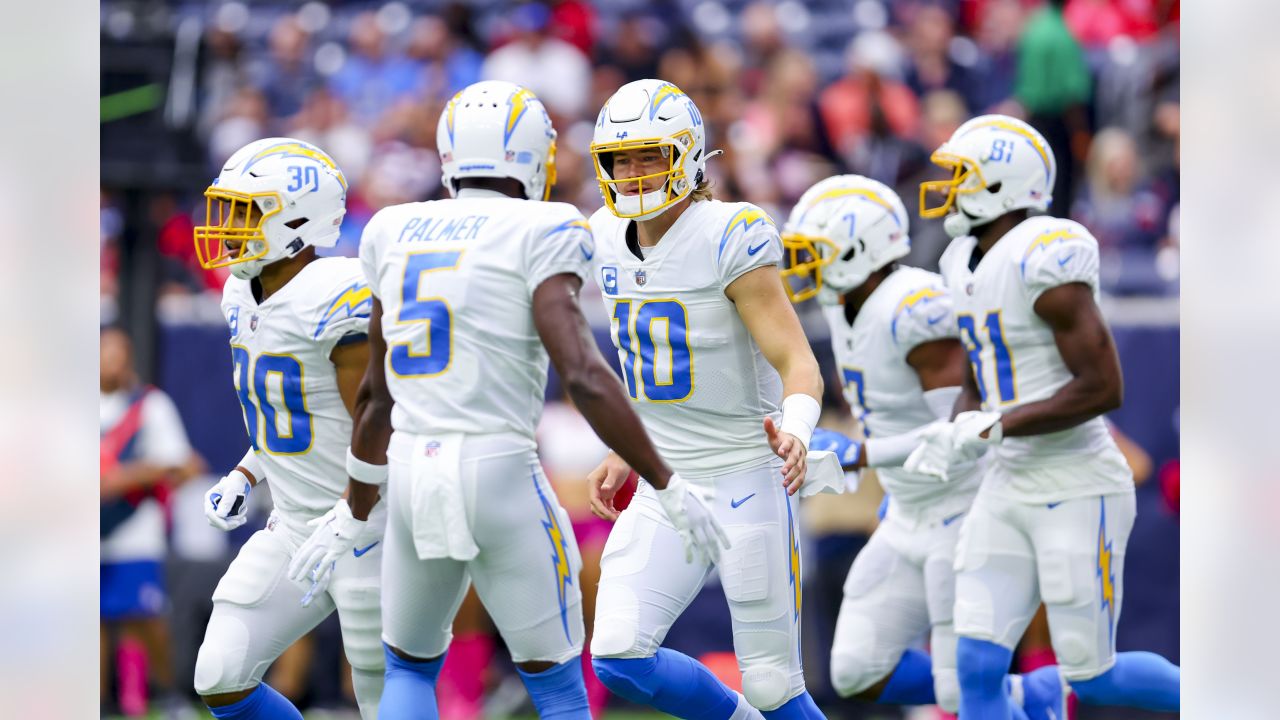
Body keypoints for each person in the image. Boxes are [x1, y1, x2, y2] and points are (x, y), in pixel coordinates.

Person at [289, 80, 723, 720]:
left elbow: (375, 396)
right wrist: (666, 480)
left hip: (410, 468)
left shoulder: (391, 227)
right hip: (500, 467)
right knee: (556, 686)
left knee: (407, 668)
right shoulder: (546, 225)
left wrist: (355, 510)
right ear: (531, 155)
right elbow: (582, 373)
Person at [910, 114, 1181, 717]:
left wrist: (997, 424)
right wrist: (956, 429)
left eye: (961, 176)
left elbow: (1103, 388)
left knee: (1095, 674)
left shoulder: (1046, 256)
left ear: (1002, 184)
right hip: (1008, 481)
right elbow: (980, 377)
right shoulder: (962, 260)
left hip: (1077, 481)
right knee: (975, 665)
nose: (948, 189)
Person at [583, 79, 826, 719]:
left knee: (774, 682)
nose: (632, 174)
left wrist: (798, 430)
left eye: (649, 155)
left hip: (747, 471)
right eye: (620, 158)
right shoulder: (603, 234)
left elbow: (798, 361)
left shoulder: (730, 234)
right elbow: (648, 364)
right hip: (669, 479)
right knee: (617, 653)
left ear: (687, 156)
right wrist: (624, 446)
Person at [779, 174, 1064, 718]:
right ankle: (1031, 695)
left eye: (813, 250)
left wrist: (863, 455)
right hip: (909, 510)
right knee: (856, 671)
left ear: (856, 248)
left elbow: (964, 435)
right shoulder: (845, 303)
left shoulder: (914, 306)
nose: (804, 263)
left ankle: (1027, 695)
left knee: (962, 692)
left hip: (962, 510)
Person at [190, 137, 385, 720]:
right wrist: (248, 472)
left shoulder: (337, 294)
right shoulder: (239, 292)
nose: (227, 226)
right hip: (296, 526)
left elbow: (382, 425)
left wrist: (354, 515)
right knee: (220, 675)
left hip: (373, 523)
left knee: (380, 698)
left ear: (299, 221)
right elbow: (294, 408)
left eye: (246, 211)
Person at [100, 327, 199, 717]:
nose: (111, 360)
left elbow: (183, 463)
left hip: (136, 527)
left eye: (119, 352)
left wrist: (128, 476)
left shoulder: (150, 405)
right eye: (104, 351)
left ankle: (169, 692)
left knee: (145, 615)